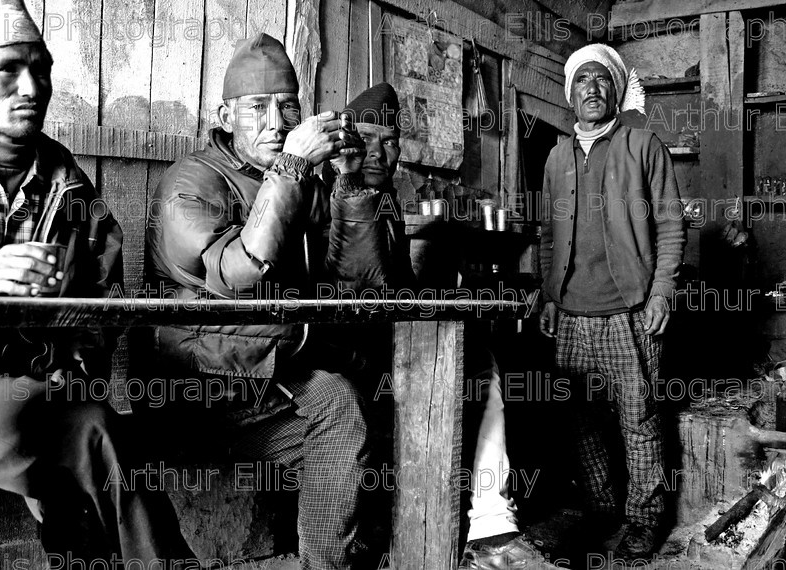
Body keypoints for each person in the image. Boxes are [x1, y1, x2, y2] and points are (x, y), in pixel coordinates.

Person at [144, 35, 405, 570]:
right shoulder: (190, 182)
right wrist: (290, 167)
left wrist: (349, 184)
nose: (277, 121)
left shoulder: (307, 183)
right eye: (256, 108)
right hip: (203, 386)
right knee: (336, 405)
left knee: (378, 400)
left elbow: (354, 283)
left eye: (288, 106)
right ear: (224, 115)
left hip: (274, 374)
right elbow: (243, 272)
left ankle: (340, 552)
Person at [0, 0, 198, 566]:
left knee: (103, 430)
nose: (32, 85)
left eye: (41, 68)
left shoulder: (68, 184)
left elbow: (102, 304)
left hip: (36, 396)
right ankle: (68, 503)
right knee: (17, 415)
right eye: (9, 68)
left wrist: (73, 355)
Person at [335, 82, 549, 570]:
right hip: (346, 350)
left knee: (483, 363)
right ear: (345, 143)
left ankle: (490, 523)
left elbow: (396, 288)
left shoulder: (384, 199)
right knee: (473, 367)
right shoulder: (341, 193)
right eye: (367, 138)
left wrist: (446, 302)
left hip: (383, 340)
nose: (378, 152)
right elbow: (358, 287)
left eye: (389, 141)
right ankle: (481, 525)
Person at [538, 44, 685, 560]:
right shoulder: (556, 157)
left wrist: (662, 291)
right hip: (572, 315)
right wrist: (550, 296)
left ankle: (645, 520)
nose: (592, 89)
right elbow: (548, 237)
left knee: (639, 420)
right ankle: (601, 511)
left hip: (629, 312)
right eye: (583, 81)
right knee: (579, 422)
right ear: (571, 94)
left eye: (602, 81)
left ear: (616, 91)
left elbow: (671, 224)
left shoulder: (643, 145)